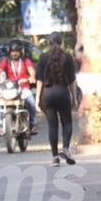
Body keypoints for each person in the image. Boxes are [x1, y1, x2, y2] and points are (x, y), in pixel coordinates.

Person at [35, 32, 77, 166]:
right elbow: (71, 81)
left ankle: (54, 157)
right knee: (67, 122)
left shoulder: (42, 57)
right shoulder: (68, 58)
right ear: (61, 42)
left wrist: (37, 99)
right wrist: (74, 98)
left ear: (48, 43)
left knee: (52, 126)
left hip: (47, 94)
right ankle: (65, 148)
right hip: (62, 92)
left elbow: (39, 81)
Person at [0, 40, 38, 136]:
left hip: (22, 88)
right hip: (9, 89)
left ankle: (33, 123)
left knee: (30, 99)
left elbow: (32, 72)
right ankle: (1, 126)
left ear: (21, 52)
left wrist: (31, 77)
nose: (15, 53)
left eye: (17, 51)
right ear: (9, 52)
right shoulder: (5, 61)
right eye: (13, 51)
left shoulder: (25, 61)